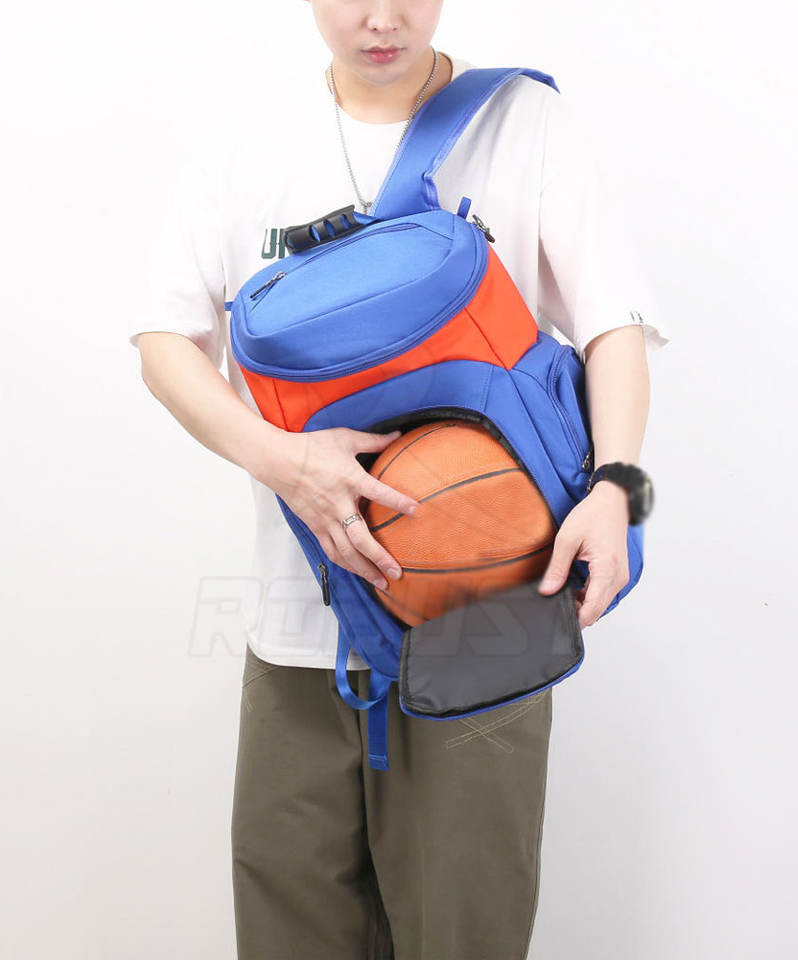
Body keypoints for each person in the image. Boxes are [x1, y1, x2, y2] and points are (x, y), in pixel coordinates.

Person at [128, 2, 670, 956]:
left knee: (466, 935)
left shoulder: (522, 124)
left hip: (490, 613)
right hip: (299, 632)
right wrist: (285, 462)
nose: (382, 18)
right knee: (289, 934)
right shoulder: (247, 149)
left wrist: (616, 484)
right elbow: (164, 341)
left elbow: (612, 324)